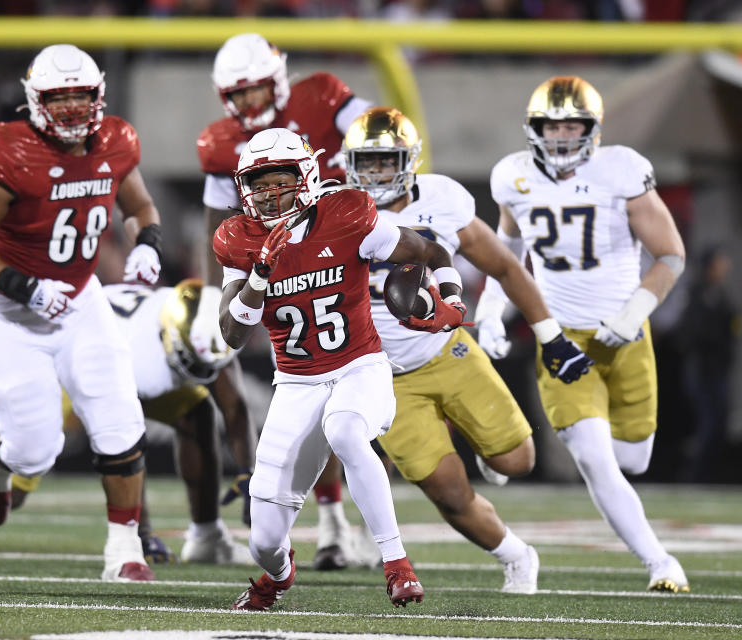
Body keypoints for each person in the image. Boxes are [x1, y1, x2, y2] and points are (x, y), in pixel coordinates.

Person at [214, 127, 473, 610]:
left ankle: (396, 565)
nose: (271, 195)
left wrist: (452, 299)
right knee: (263, 542)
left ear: (306, 178)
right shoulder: (238, 239)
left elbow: (431, 253)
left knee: (348, 432)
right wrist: (260, 275)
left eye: (282, 182)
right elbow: (232, 334)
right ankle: (277, 578)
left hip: (360, 365)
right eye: (260, 184)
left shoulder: (347, 213)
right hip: (295, 382)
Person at [343, 106, 594, 593]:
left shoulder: (443, 200)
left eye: (386, 160)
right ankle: (516, 555)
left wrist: (549, 335)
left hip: (446, 351)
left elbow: (506, 267)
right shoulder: (336, 210)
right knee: (452, 496)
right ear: (350, 163)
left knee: (517, 461)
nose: (375, 173)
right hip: (381, 378)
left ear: (409, 160)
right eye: (366, 162)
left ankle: (486, 448)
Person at [0, 280, 256, 565]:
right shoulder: (137, 356)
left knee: (197, 409)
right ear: (170, 339)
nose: (203, 371)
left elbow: (233, 407)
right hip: (66, 363)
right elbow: (118, 442)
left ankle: (205, 535)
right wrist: (138, 531)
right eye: (192, 362)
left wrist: (249, 475)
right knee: (10, 495)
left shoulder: (207, 320)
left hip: (102, 344)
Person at [0, 44, 165, 583]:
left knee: (118, 419)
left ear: (99, 96)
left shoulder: (115, 139)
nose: (70, 109)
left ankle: (124, 548)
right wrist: (25, 288)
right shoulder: (9, 150)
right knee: (36, 452)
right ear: (34, 101)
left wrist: (147, 244)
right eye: (58, 98)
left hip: (81, 297)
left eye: (79, 97)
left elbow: (138, 208)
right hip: (7, 307)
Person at [480, 76, 689, 593]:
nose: (562, 135)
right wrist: (490, 311)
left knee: (632, 459)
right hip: (560, 340)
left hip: (626, 337)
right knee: (594, 461)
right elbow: (505, 257)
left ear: (592, 129)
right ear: (535, 129)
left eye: (573, 124)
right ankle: (660, 562)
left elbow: (671, 255)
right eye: (552, 126)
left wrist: (635, 309)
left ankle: (502, 445)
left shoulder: (621, 169)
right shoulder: (513, 176)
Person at [195, 32, 373, 570]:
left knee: (359, 392)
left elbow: (379, 129)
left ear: (278, 77)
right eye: (238, 94)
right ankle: (335, 524)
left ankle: (350, 521)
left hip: (349, 247)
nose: (249, 103)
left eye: (256, 90)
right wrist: (213, 296)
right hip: (288, 269)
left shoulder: (320, 95)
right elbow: (218, 223)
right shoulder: (220, 143)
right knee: (314, 390)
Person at [678, 246, 741, 483]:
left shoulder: (722, 294)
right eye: (720, 263)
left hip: (719, 369)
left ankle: (709, 473)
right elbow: (690, 334)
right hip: (702, 369)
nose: (725, 267)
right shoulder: (697, 294)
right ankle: (694, 474)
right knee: (706, 422)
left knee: (719, 422)